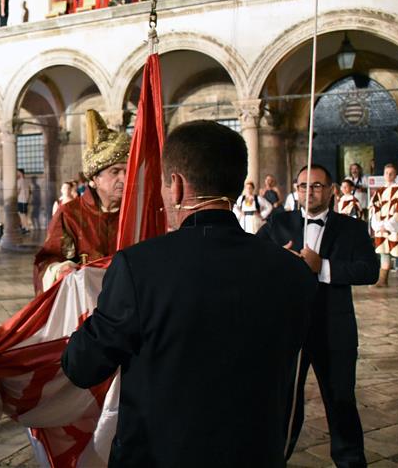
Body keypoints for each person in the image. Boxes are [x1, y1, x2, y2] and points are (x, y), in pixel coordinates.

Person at [62, 120, 315, 466]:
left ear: (177, 186)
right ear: (239, 185)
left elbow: (82, 365)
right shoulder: (293, 271)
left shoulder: (138, 268)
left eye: (165, 185)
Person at [258, 164, 379, 468]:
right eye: (302, 186)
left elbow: (370, 270)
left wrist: (322, 266)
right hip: (289, 330)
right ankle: (275, 458)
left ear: (330, 190)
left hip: (334, 331)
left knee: (341, 403)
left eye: (316, 186)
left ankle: (350, 461)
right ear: (295, 190)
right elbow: (252, 259)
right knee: (284, 403)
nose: (308, 191)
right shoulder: (279, 223)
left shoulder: (351, 227)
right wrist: (276, 260)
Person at [34, 109, 130, 294]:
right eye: (115, 171)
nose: (124, 179)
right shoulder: (70, 214)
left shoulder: (137, 213)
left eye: (127, 172)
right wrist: (59, 270)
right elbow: (45, 261)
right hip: (85, 305)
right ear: (94, 179)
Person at [369, 163, 398, 290]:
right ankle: (383, 280)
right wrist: (379, 224)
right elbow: (374, 207)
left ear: (395, 175)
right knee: (384, 252)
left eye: (391, 173)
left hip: (397, 227)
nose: (388, 175)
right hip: (382, 227)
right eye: (386, 173)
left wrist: (391, 224)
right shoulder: (379, 191)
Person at [17, 169, 32, 234]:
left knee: (22, 214)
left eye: (17, 172)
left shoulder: (19, 181)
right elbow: (30, 191)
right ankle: (24, 227)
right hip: (25, 200)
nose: (17, 174)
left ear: (20, 173)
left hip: (21, 200)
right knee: (23, 214)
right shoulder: (27, 181)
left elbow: (18, 191)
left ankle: (26, 228)